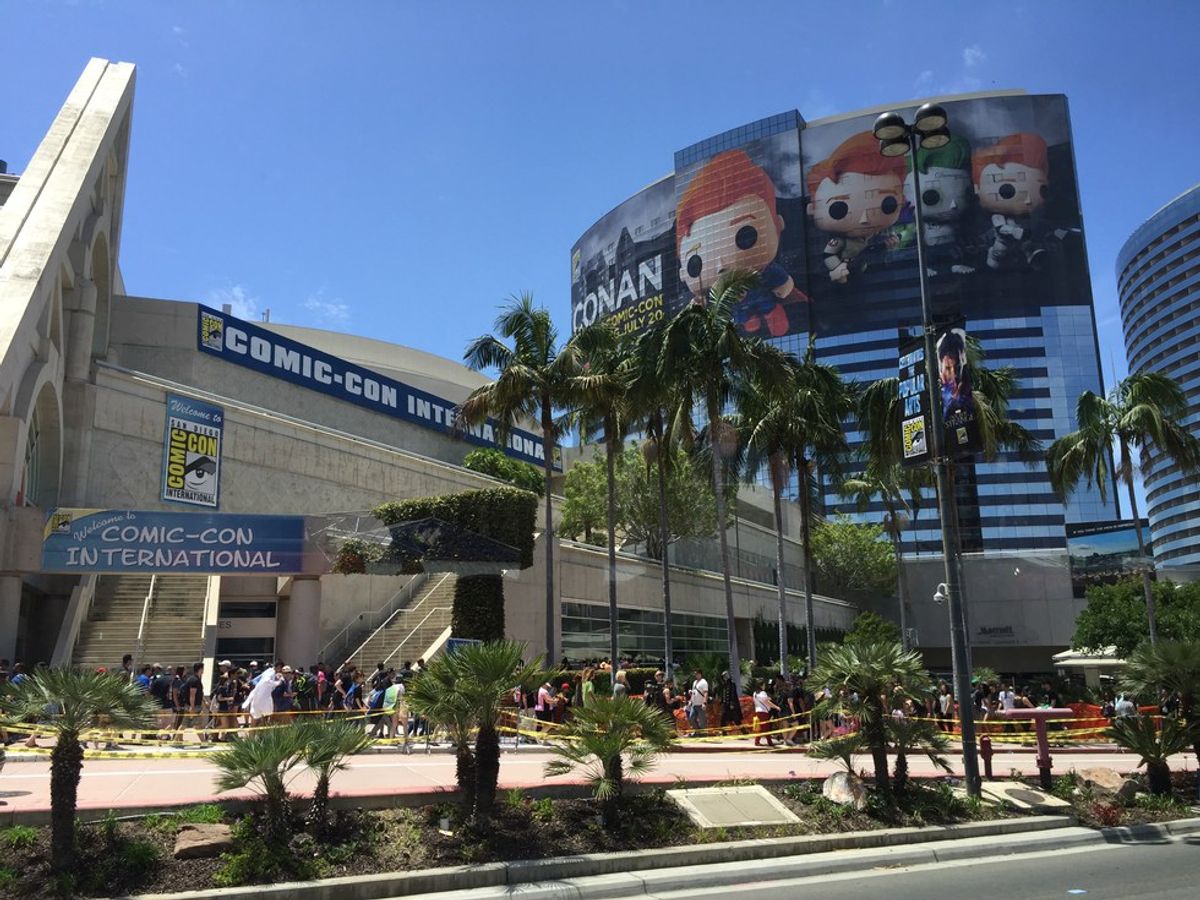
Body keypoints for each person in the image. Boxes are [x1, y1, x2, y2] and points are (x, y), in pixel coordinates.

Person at [675, 149, 808, 336]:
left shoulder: (763, 272)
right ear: (683, 273)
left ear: (777, 225)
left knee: (768, 310)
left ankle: (772, 314)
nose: (721, 266)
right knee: (744, 320)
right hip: (738, 316)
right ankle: (749, 321)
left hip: (765, 302)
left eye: (745, 236)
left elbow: (780, 280)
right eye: (694, 263)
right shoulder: (716, 293)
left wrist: (783, 287)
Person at [753, 681, 781, 747]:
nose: (764, 686)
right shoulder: (763, 693)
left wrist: (767, 698)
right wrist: (776, 707)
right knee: (766, 727)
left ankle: (761, 741)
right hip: (764, 712)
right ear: (761, 686)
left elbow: (758, 701)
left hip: (758, 711)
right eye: (764, 685)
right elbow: (767, 702)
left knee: (762, 727)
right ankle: (766, 742)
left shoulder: (755, 693)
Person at [687, 669, 709, 737]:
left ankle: (703, 734)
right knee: (691, 718)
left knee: (702, 720)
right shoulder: (694, 682)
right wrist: (690, 700)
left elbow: (705, 693)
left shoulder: (704, 682)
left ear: (700, 674)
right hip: (694, 704)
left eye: (696, 674)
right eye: (695, 674)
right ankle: (697, 731)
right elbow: (694, 692)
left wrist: (704, 703)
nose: (695, 675)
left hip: (700, 704)